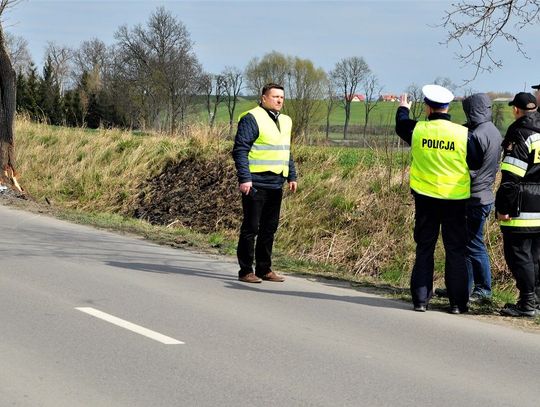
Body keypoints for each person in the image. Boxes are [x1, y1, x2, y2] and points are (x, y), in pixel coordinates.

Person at [396, 84, 482, 314]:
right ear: (447, 107)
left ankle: (421, 300)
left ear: (427, 107)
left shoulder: (418, 130)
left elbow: (401, 125)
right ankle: (457, 303)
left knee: (425, 247)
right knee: (456, 250)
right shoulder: (463, 134)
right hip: (455, 201)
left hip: (425, 201)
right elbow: (476, 162)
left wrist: (403, 107)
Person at [436, 94, 502, 301]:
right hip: (485, 195)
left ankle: (482, 289)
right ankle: (462, 286)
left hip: (473, 197)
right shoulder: (493, 130)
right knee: (470, 243)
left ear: (472, 110)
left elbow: (469, 167)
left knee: (472, 245)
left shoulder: (475, 135)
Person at [232, 83, 298, 283]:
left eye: (282, 97)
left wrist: (292, 176)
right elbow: (240, 149)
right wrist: (245, 178)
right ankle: (245, 271)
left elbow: (285, 150)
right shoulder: (251, 118)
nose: (279, 100)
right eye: (275, 96)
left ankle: (264, 268)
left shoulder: (286, 121)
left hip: (276, 182)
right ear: (263, 98)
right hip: (255, 182)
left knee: (269, 228)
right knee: (251, 228)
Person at [495, 92, 540, 317]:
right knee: (535, 256)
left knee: (518, 255)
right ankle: (536, 300)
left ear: (516, 110)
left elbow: (511, 178)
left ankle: (526, 303)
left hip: (522, 207)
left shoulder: (519, 133)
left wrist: (504, 208)